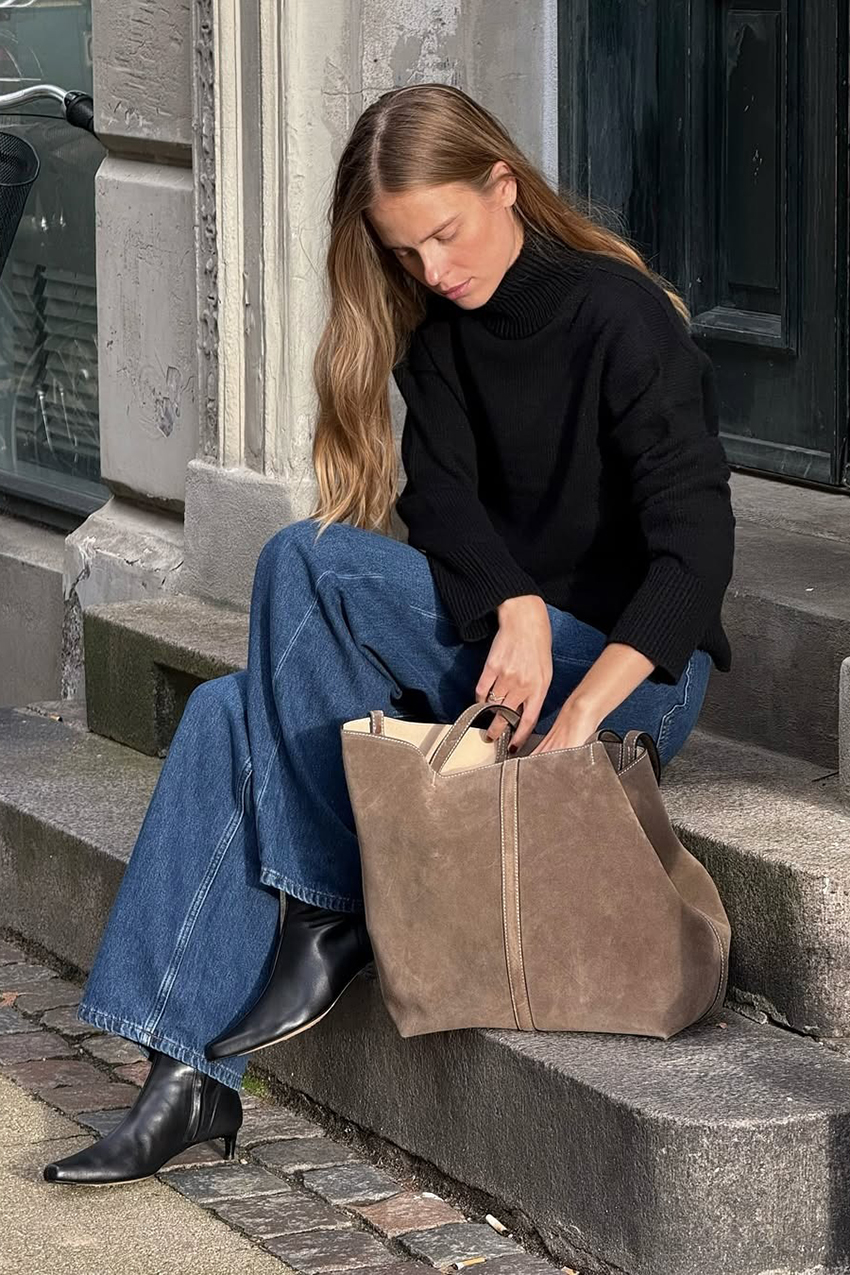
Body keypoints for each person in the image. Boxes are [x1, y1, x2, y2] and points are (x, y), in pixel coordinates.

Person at [43, 83, 734, 1186]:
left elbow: (695, 555)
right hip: (494, 659)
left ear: (501, 184)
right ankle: (181, 1078)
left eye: (445, 236)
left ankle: (324, 904)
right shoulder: (439, 340)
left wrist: (582, 704)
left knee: (302, 559)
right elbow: (445, 514)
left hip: (627, 673)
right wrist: (508, 605)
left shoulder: (619, 316)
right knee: (228, 710)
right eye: (405, 253)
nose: (432, 271)